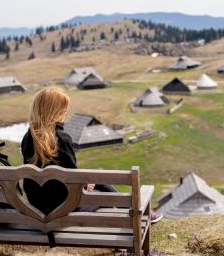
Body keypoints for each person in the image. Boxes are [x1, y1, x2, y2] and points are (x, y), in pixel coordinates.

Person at [21, 87, 162, 223]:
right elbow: (72, 178)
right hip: (64, 209)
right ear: (55, 111)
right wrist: (84, 188)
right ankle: (140, 213)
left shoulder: (28, 138)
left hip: (39, 208)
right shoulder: (61, 139)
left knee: (97, 180)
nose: (66, 113)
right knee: (101, 183)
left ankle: (137, 212)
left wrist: (82, 185)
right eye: (64, 109)